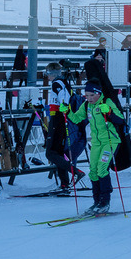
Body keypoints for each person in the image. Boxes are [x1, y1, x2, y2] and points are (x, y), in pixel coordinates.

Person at [67, 80, 125, 215]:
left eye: (92, 95)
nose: (89, 98)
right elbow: (76, 119)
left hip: (110, 141)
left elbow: (121, 119)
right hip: (96, 143)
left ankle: (105, 201)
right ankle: (97, 202)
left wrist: (109, 112)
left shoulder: (107, 102)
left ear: (99, 94)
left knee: (102, 168)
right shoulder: (87, 105)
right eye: (86, 95)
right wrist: (68, 112)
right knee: (92, 170)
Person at [44, 64, 81, 192]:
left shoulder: (57, 83)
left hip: (57, 119)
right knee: (58, 153)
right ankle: (64, 183)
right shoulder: (63, 82)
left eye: (48, 72)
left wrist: (63, 105)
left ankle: (75, 171)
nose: (47, 75)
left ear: (52, 73)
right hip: (59, 118)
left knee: (50, 153)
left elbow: (62, 95)